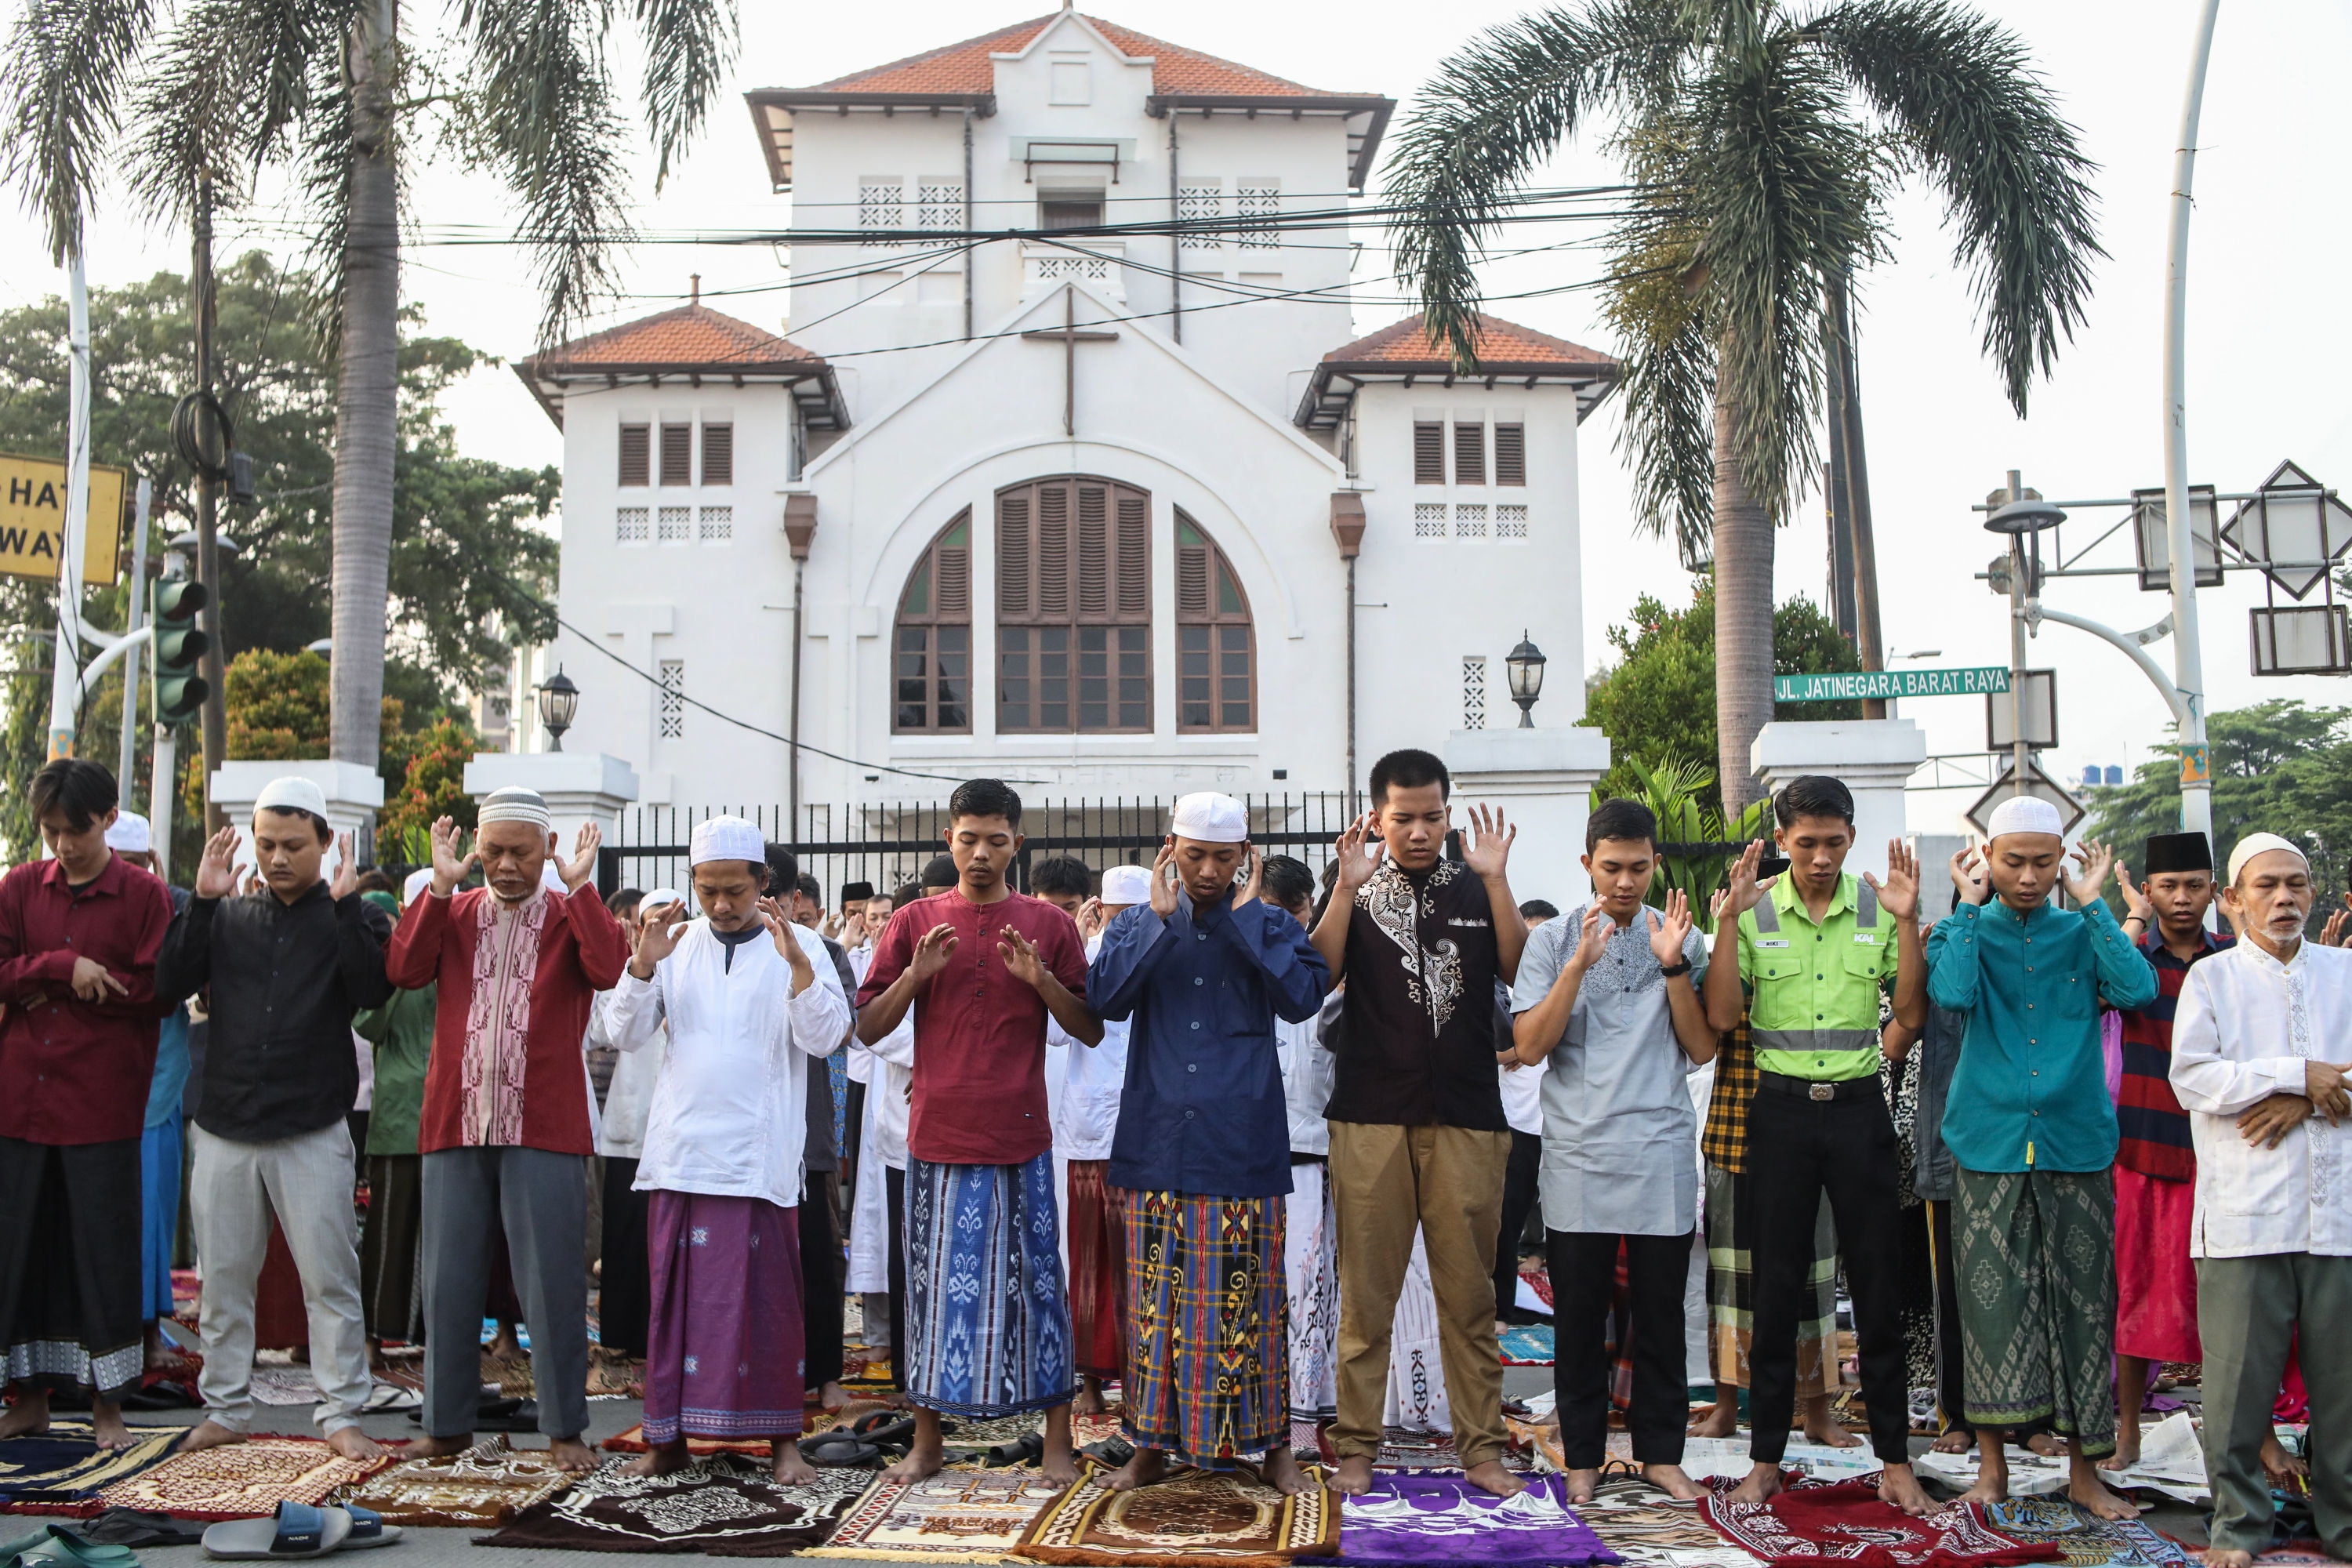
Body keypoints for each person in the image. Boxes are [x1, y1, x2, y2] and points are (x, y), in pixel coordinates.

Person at [854, 779, 1099, 1485]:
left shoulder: (1048, 925)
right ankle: (928, 1441)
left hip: (1022, 1136)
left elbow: (1089, 1026)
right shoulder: (914, 922)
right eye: (969, 840)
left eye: (996, 840)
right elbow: (867, 1028)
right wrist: (915, 976)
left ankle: (1057, 1440)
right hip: (937, 1134)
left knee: (1041, 1287)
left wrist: (1041, 979)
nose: (981, 854)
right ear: (949, 840)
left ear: (1017, 843)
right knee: (931, 1293)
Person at [1702, 775, 1930, 1513]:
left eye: (1834, 843)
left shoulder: (1878, 905)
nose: (1822, 858)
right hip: (1781, 1117)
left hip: (1860, 1114)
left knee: (1878, 1291)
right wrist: (1729, 921)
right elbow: (1724, 1016)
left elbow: (1911, 1013)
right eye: (1806, 844)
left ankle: (1895, 1463)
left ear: (1851, 837)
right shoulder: (1757, 909)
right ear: (1781, 841)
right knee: (1775, 1295)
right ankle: (1765, 1462)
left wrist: (1907, 923)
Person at [1090, 797, 1328, 1493]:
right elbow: (1103, 1001)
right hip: (1159, 1140)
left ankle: (1273, 1448)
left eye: (1223, 858)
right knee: (1155, 1308)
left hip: (1240, 1144)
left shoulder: (1271, 923)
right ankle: (1149, 1447)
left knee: (1252, 1305)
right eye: (1195, 856)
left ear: (1245, 857)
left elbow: (1303, 1000)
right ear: (1171, 849)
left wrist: (1250, 920)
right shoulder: (1138, 921)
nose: (1207, 871)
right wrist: (1155, 923)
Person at [1926, 798, 2154, 1520]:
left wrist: (2092, 904)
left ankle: (2085, 1472)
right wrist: (1968, 907)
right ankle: (1992, 1471)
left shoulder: (2082, 932)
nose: (2028, 877)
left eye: (2043, 863)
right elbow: (1951, 994)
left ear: (2062, 862)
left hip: (2075, 1142)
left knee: (2085, 1306)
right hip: (1988, 1143)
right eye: (2013, 862)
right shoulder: (1961, 931)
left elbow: (2138, 989)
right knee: (1991, 1307)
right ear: (1987, 859)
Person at [604, 818, 851, 1481]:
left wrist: (798, 968)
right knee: (676, 1311)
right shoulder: (675, 945)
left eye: (734, 891)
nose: (719, 904)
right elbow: (622, 1033)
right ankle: (667, 1441)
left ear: (764, 882)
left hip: (758, 1160)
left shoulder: (803, 945)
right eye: (707, 890)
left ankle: (782, 1443)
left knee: (768, 1309)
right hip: (681, 1155)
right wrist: (641, 964)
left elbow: (826, 1039)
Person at [1311, 748, 1526, 1499]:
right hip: (1369, 1116)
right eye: (1403, 818)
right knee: (1367, 1299)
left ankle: (1483, 1451)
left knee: (1470, 1298)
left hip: (1467, 1116)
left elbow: (1517, 971)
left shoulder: (1475, 883)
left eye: (1432, 817)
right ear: (1377, 818)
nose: (1419, 831)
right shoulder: (1355, 886)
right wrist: (1344, 888)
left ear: (1448, 813)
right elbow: (1317, 976)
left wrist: (1497, 881)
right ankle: (1356, 1449)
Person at [387, 792, 625, 1470]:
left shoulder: (569, 915)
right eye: (494, 852)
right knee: (448, 1284)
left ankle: (564, 1430)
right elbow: (403, 969)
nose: (507, 865)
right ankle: (447, 1425)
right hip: (455, 1121)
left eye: (522, 852)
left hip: (544, 1124)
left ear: (547, 850)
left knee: (551, 1285)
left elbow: (609, 968)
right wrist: (438, 887)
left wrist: (581, 889)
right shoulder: (453, 911)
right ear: (477, 848)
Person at [160, 778, 390, 1457]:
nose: (278, 858)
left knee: (330, 1280)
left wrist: (347, 909)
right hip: (226, 1123)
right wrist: (204, 902)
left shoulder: (350, 917)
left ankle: (341, 1413)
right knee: (224, 1282)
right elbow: (167, 984)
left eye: (293, 844)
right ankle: (226, 1409)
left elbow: (374, 989)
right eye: (266, 845)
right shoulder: (227, 916)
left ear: (325, 842)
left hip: (312, 1125)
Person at [1511, 800, 1713, 1504]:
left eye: (1639, 867)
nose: (1625, 882)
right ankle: (1583, 1459)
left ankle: (1662, 1455)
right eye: (1611, 868)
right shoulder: (1550, 941)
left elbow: (1700, 1047)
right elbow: (1530, 1047)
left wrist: (1674, 966)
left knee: (1660, 1316)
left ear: (1656, 863)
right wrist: (1577, 966)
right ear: (1587, 864)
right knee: (1578, 1319)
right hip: (1579, 1155)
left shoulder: (1682, 936)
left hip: (1659, 1150)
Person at [2170, 833, 2352, 1566]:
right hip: (2245, 1216)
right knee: (2237, 1392)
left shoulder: (2345, 973)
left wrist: (2306, 1098)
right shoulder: (2211, 980)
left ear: (2312, 892)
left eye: (2296, 884)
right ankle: (2239, 1530)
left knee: (2344, 1393)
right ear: (2233, 900)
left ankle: (2343, 1529)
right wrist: (2295, 1074)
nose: (2284, 899)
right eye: (2266, 886)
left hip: (2338, 1216)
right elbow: (2193, 1078)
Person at [0, 762, 173, 1448]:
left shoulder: (145, 896)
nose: (64, 845)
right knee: (20, 1251)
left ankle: (109, 1409)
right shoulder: (19, 887)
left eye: (76, 830)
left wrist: (60, 988)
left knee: (102, 1255)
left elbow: (158, 991)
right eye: (51, 831)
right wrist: (60, 969)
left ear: (109, 818)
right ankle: (29, 1401)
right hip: (20, 1102)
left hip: (102, 1106)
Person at [2103, 832, 2231, 1470]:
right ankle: (2128, 1431)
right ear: (2149, 892)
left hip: (2224, 1153)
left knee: (2232, 1299)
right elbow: (2098, 989)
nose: (2183, 899)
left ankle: (2245, 1434)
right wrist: (2132, 920)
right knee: (2137, 1293)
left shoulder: (2233, 959)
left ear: (2214, 892)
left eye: (2195, 886)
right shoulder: (2134, 964)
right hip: (2144, 1145)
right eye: (2170, 887)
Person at [102, 812, 194, 1371]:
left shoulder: (172, 906)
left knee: (151, 1210)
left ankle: (146, 1332)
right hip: (92, 1083)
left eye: (138, 864)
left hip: (155, 1085)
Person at [1044, 858, 1135, 1418]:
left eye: (1138, 916)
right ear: (1100, 911)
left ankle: (1142, 1384)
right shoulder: (1084, 959)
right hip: (1088, 1135)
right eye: (1118, 916)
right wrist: (1069, 953)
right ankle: (1091, 1382)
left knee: (1140, 1264)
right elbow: (1056, 1035)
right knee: (1088, 1261)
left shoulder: (1164, 958)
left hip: (1145, 1136)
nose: (1127, 927)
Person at [1265, 857, 1338, 1450]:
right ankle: (1260, 1411)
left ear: (1310, 908)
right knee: (1255, 1291)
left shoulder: (1328, 971)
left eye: (1296, 911)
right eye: (1273, 911)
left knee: (1311, 1290)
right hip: (1250, 1160)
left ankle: (1307, 1413)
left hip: (1316, 1157)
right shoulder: (1240, 966)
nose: (1286, 923)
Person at [351, 871, 437, 1356]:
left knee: (445, 1238)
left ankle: (434, 1337)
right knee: (388, 1234)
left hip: (451, 1118)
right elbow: (369, 1022)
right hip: (399, 1118)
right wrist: (405, 964)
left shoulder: (464, 956)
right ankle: (371, 1336)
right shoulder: (390, 961)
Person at [844, 880, 923, 1397]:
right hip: (898, 1121)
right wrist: (936, 1055)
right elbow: (871, 1026)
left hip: (968, 1119)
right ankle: (901, 1358)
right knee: (898, 1241)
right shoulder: (891, 961)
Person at [593, 887, 666, 1363]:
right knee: (624, 1235)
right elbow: (601, 1033)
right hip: (628, 1125)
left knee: (666, 1239)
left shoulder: (696, 969)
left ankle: (662, 1336)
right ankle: (621, 1336)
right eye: (650, 922)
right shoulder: (624, 974)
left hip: (675, 1133)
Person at [1493, 898, 1556, 1332]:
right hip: (1516, 1123)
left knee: (1565, 1222)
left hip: (1562, 1124)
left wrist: (1527, 1048)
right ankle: (1500, 1309)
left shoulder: (1568, 987)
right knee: (1505, 1219)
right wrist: (1515, 1050)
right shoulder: (1503, 993)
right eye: (1528, 937)